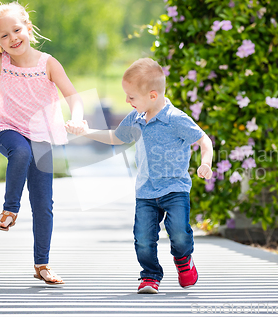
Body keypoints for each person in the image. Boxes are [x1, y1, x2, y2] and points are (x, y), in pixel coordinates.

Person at [0, 2, 86, 285]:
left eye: (16, 30)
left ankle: (42, 264)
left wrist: (78, 119)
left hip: (42, 133)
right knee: (20, 151)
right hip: (7, 127)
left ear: (28, 28)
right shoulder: (0, 62)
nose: (12, 39)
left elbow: (73, 96)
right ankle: (9, 211)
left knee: (43, 204)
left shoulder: (48, 64)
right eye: (3, 36)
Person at [66, 58, 213, 294]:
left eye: (131, 97)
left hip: (175, 189)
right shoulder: (135, 118)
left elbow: (203, 139)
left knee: (179, 233)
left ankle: (184, 260)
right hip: (146, 190)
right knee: (143, 239)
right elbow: (116, 137)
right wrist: (87, 132)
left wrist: (206, 162)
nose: (126, 101)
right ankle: (150, 276)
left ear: (152, 96)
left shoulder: (176, 119)